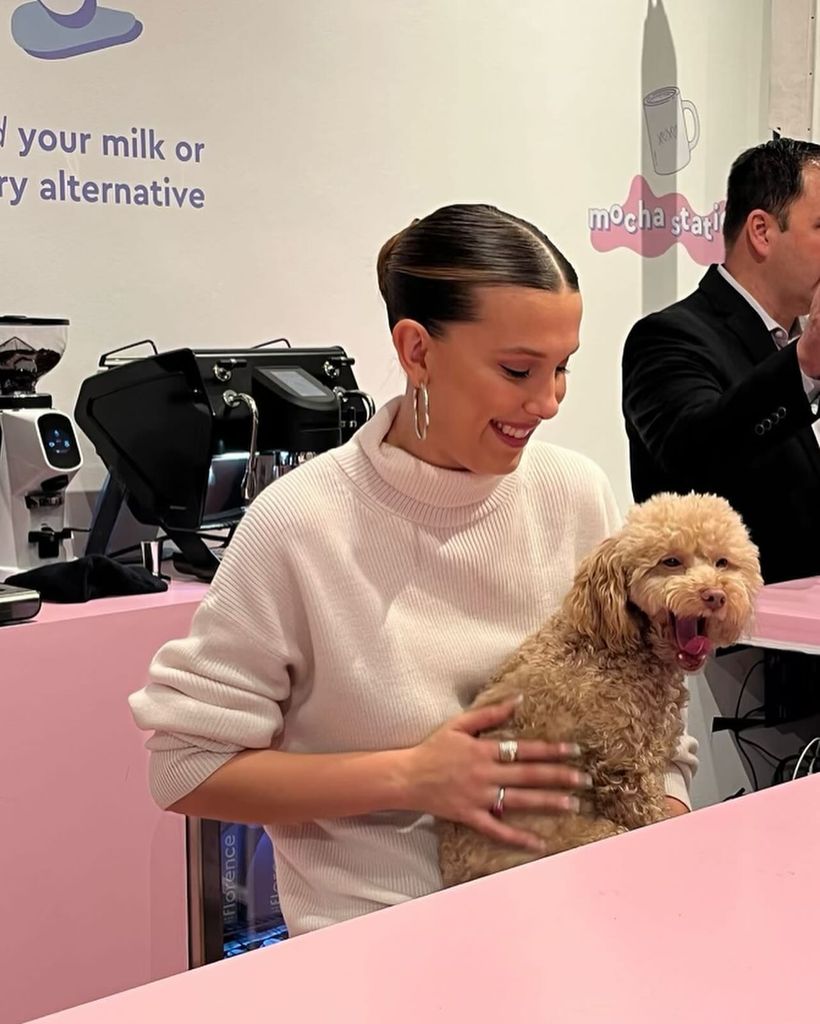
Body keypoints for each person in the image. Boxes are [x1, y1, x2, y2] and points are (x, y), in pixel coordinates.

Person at [130, 203, 697, 937]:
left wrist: (664, 831)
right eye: (519, 369)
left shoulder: (575, 493)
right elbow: (185, 770)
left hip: (581, 914)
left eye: (562, 369)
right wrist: (411, 776)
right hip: (382, 940)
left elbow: (654, 729)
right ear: (416, 350)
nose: (548, 402)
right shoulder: (303, 523)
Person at [622, 137, 820, 585]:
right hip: (727, 642)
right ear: (762, 231)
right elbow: (690, 457)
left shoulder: (796, 340)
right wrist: (804, 364)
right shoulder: (669, 336)